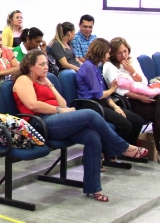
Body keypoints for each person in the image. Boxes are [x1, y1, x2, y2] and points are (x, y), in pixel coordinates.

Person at [14, 50, 146, 202]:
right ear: (30, 66)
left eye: (46, 63)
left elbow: (63, 103)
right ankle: (122, 147)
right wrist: (60, 110)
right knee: (89, 114)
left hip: (56, 119)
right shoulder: (23, 80)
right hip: (39, 123)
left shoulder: (43, 80)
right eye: (41, 64)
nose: (46, 67)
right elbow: (33, 105)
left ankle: (93, 187)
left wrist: (50, 85)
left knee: (92, 136)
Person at [104, 37, 160, 166]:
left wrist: (132, 71)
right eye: (119, 53)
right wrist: (140, 97)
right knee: (157, 112)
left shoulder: (131, 62)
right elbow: (119, 90)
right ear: (113, 53)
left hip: (139, 95)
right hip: (126, 100)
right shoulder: (109, 66)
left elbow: (143, 82)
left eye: (125, 51)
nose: (124, 55)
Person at [75, 38, 145, 164]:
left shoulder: (95, 67)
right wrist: (112, 89)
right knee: (125, 125)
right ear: (101, 52)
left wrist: (115, 107)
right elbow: (98, 94)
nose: (108, 55)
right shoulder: (89, 67)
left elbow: (104, 95)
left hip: (100, 102)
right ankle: (112, 153)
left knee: (137, 121)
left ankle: (115, 152)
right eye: (107, 52)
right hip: (90, 105)